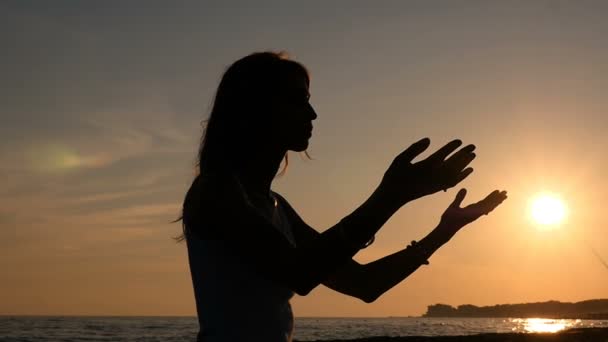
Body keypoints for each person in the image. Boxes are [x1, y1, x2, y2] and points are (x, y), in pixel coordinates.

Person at [177, 51, 508, 342]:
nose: (312, 114)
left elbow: (364, 284)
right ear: (255, 108)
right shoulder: (215, 193)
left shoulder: (274, 205)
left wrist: (444, 230)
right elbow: (300, 273)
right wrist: (390, 196)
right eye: (297, 100)